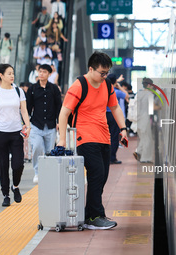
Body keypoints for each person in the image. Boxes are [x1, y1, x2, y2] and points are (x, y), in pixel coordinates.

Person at [57, 51, 127, 230]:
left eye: (107, 73)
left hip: (104, 136)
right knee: (96, 174)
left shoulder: (107, 85)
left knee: (102, 176)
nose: (104, 77)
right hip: (85, 137)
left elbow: (115, 108)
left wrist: (123, 129)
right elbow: (64, 113)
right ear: (91, 69)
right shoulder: (79, 85)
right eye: (102, 73)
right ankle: (96, 215)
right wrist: (62, 140)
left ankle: (90, 215)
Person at [0, 64, 31, 207]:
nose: (12, 76)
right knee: (3, 166)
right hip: (0, 133)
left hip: (16, 133)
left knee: (18, 164)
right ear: (1, 75)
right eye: (9, 73)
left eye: (13, 73)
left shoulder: (18, 91)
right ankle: (6, 195)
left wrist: (28, 126)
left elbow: (24, 111)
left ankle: (15, 186)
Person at [26, 64, 62, 184]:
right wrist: (27, 123)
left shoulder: (54, 89)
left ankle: (47, 173)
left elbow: (59, 107)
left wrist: (58, 122)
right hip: (36, 124)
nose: (41, 74)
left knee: (49, 151)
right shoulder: (32, 89)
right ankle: (37, 172)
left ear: (49, 74)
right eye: (40, 71)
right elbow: (27, 107)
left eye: (44, 72)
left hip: (51, 125)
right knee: (37, 147)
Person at [133, 78, 158, 163]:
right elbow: (153, 107)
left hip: (137, 120)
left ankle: (138, 152)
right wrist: (162, 107)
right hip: (145, 119)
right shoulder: (149, 94)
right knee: (148, 139)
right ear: (149, 85)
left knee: (143, 138)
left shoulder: (139, 93)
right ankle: (145, 158)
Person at [106, 73, 128, 164]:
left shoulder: (104, 90)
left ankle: (106, 156)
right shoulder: (116, 91)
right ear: (115, 82)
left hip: (104, 115)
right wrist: (118, 85)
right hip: (114, 115)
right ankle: (112, 157)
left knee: (106, 136)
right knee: (114, 137)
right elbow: (126, 95)